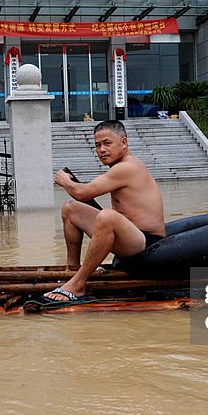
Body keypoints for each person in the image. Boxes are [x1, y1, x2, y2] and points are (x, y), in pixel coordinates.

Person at [42, 120, 166, 303]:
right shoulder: (119, 167)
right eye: (98, 145)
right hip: (129, 236)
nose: (101, 150)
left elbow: (83, 193)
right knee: (70, 209)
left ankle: (78, 284)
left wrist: (64, 180)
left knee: (107, 216)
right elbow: (79, 198)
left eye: (107, 143)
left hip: (147, 242)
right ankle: (73, 270)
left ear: (123, 142)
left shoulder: (127, 167)